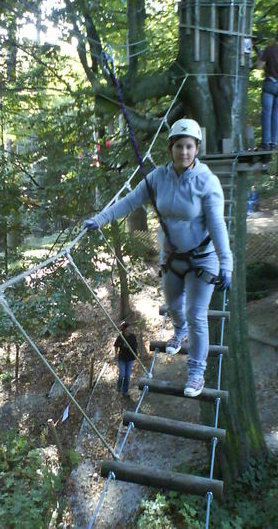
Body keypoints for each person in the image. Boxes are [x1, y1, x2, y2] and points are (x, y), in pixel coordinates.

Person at [83, 119, 233, 398]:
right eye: (179, 146)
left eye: (189, 146)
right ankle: (179, 331)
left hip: (202, 260)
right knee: (175, 307)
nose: (184, 152)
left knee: (196, 315)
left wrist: (227, 263)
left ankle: (196, 372)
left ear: (196, 149)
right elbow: (130, 202)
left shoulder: (207, 182)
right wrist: (101, 219)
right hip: (171, 259)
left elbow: (217, 224)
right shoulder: (157, 179)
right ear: (171, 148)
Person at [114, 321, 138, 398]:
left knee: (127, 376)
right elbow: (116, 345)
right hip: (122, 358)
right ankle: (118, 386)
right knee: (122, 375)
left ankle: (125, 391)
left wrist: (135, 353)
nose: (130, 328)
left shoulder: (133, 337)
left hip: (130, 358)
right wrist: (116, 354)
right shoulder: (121, 337)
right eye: (128, 327)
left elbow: (135, 346)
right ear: (125, 329)